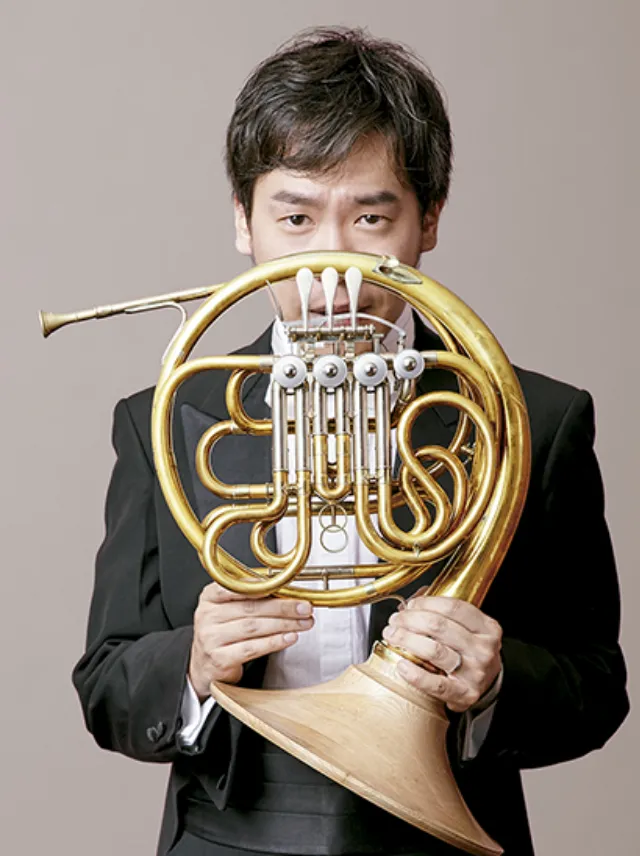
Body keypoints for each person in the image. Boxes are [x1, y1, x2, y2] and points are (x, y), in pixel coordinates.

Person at [72, 27, 629, 856]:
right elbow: (107, 684)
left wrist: (496, 680)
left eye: (370, 217)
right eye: (295, 218)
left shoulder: (534, 419)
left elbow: (596, 687)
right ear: (243, 220)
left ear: (428, 220)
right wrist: (193, 664)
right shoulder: (167, 421)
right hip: (231, 836)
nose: (331, 266)